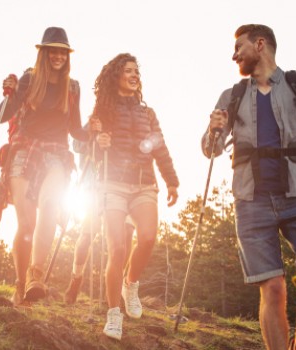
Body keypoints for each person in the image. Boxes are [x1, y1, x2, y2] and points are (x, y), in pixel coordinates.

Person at [202, 24, 296, 350]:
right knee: (273, 288)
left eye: (239, 47)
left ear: (260, 44)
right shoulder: (232, 95)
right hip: (251, 201)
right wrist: (214, 129)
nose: (234, 54)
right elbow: (211, 149)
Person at [0, 27, 92, 307]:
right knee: (27, 223)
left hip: (57, 155)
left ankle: (37, 276)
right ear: (44, 53)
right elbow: (3, 116)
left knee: (51, 205)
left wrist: (95, 130)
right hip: (25, 150)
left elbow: (76, 130)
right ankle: (20, 282)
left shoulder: (73, 87)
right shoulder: (28, 79)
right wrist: (9, 93)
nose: (59, 56)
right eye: (53, 50)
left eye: (63, 51)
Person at [93, 53, 179, 340]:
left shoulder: (148, 113)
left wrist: (172, 181)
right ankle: (114, 314)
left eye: (136, 71)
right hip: (113, 185)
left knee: (147, 237)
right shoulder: (102, 110)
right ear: (116, 75)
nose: (134, 75)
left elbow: (160, 147)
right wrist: (98, 141)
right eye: (128, 70)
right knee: (117, 249)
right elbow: (89, 149)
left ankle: (131, 284)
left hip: (144, 184)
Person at [64, 135, 135, 305]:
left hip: (124, 186)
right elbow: (77, 143)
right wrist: (95, 137)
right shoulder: (94, 120)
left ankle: (114, 287)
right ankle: (76, 278)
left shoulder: (129, 117)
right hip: (94, 189)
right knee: (86, 238)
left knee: (126, 233)